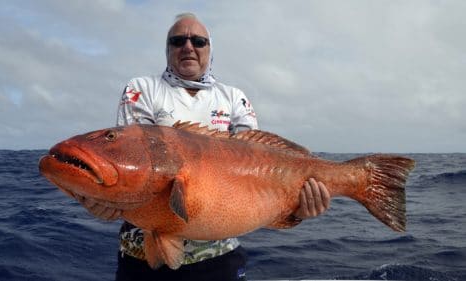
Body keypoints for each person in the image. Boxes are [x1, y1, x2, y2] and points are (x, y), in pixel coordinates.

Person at [87, 13, 331, 281]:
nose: (188, 47)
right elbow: (132, 170)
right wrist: (105, 198)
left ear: (209, 50)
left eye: (198, 41)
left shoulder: (233, 98)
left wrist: (297, 208)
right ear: (167, 49)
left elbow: (258, 168)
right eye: (178, 40)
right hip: (142, 259)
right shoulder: (142, 89)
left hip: (219, 261)